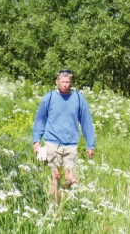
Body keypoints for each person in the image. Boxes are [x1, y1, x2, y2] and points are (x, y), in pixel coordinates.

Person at [32, 69, 95, 201]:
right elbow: (40, 120)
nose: (65, 84)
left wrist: (90, 144)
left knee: (70, 178)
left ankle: (68, 202)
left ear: (71, 83)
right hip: (52, 144)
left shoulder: (78, 98)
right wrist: (36, 141)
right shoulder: (49, 98)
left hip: (71, 145)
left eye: (68, 82)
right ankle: (54, 205)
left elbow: (86, 122)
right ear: (57, 82)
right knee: (55, 177)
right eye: (62, 82)